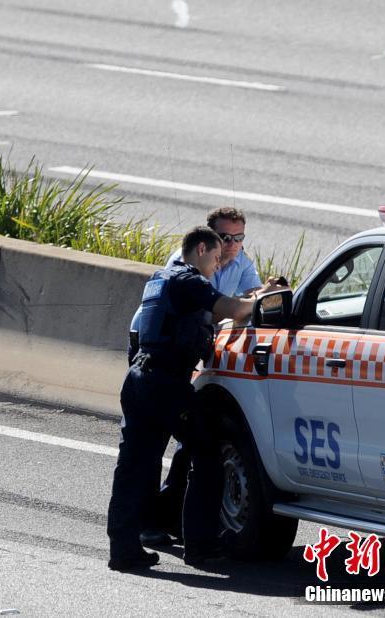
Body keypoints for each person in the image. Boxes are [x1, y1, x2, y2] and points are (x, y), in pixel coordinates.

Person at [107, 226, 286, 571]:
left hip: (140, 379)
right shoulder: (190, 280)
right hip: (166, 382)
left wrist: (256, 293)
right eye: (216, 258)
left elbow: (210, 312)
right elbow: (233, 310)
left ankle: (123, 550)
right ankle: (201, 546)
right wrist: (266, 297)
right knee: (207, 452)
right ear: (201, 248)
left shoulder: (162, 278)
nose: (218, 266)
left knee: (132, 467)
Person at [144, 207, 265, 547]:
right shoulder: (185, 270)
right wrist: (255, 300)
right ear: (207, 243)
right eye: (225, 239)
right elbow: (229, 307)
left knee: (192, 445)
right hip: (161, 358)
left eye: (239, 238)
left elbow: (247, 297)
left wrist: (259, 294)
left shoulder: (240, 262)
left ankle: (173, 519)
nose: (232, 246)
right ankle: (149, 524)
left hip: (192, 356)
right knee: (153, 445)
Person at [166, 207, 262, 297]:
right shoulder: (192, 259)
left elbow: (255, 294)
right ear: (211, 235)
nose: (233, 244)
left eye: (239, 237)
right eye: (225, 237)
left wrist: (269, 292)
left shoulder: (241, 259)